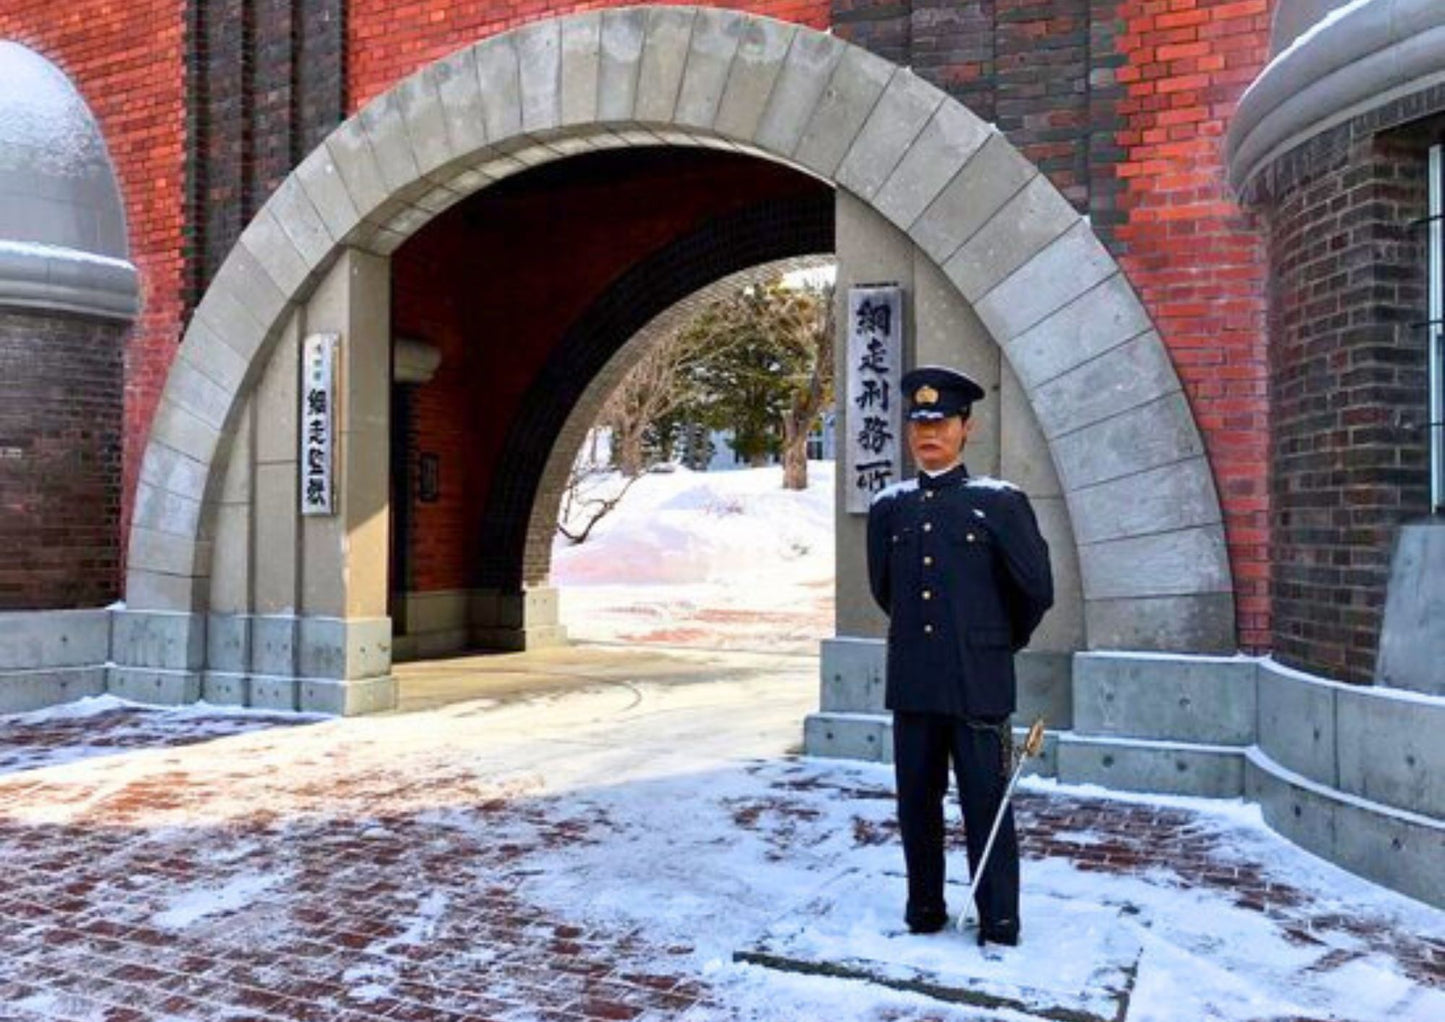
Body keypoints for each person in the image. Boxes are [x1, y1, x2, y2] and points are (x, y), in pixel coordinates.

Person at [865, 365, 1054, 947]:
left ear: (965, 428)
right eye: (919, 422)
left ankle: (998, 920)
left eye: (941, 421)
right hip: (915, 682)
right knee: (916, 806)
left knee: (984, 803)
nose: (929, 432)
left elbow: (1035, 591)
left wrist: (993, 642)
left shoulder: (998, 503)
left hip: (978, 684)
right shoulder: (889, 507)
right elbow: (883, 589)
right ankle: (924, 908)